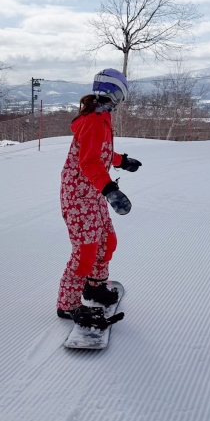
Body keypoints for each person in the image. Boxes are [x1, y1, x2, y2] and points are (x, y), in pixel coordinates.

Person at [56, 68, 142, 329]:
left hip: (92, 193)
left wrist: (121, 161)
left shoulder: (101, 116)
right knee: (85, 251)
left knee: (107, 240)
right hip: (79, 196)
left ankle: (94, 288)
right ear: (115, 93)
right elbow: (90, 160)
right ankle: (68, 304)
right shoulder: (94, 120)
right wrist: (110, 190)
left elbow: (101, 152)